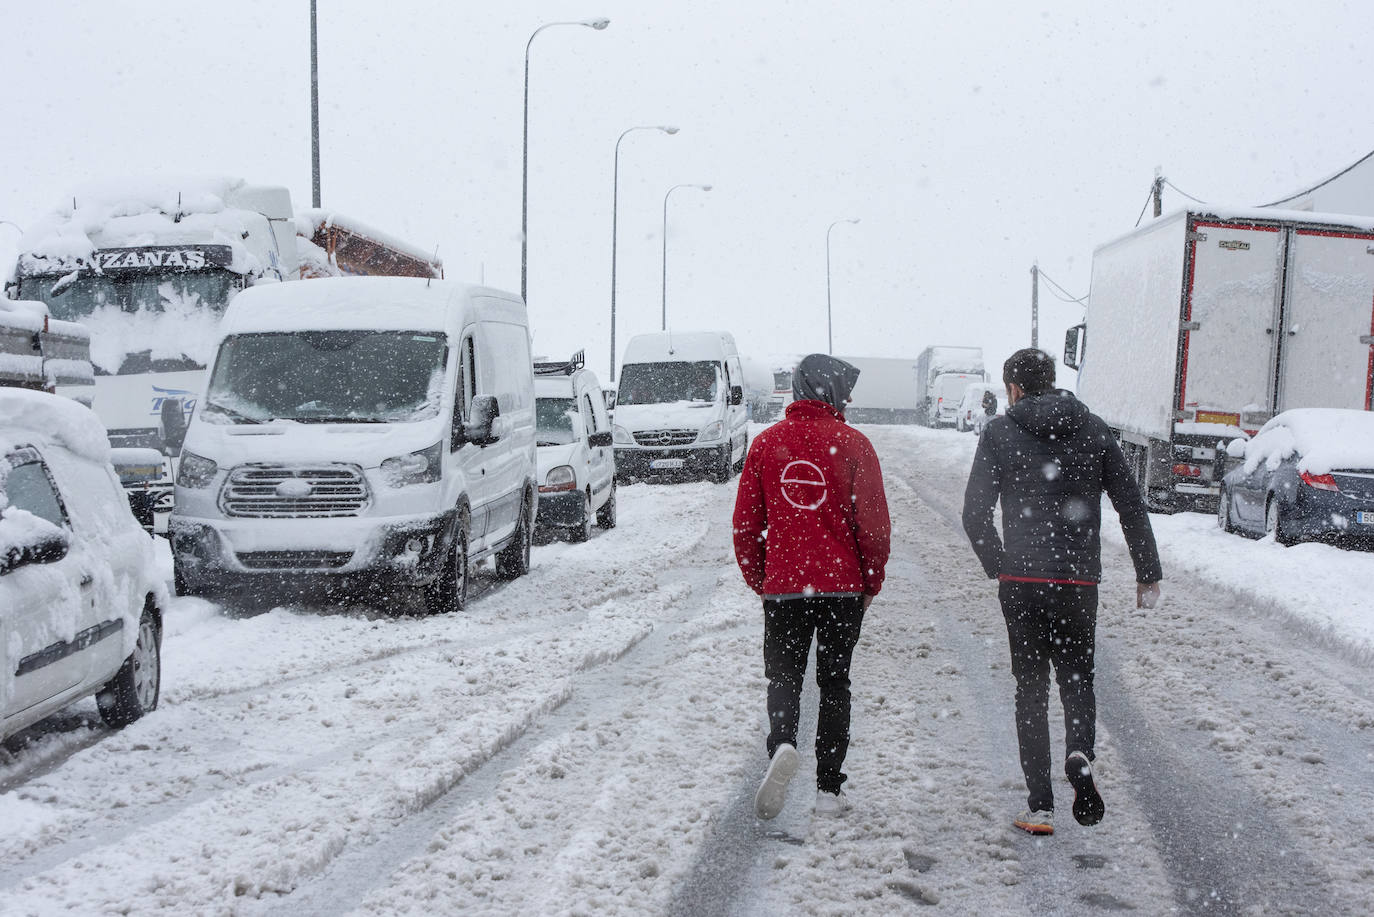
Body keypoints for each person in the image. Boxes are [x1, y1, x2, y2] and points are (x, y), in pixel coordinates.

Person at [961, 348, 1162, 837]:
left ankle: (1041, 806)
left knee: (1030, 689)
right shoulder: (1093, 428)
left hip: (1022, 582)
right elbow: (1130, 505)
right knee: (1077, 677)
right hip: (1077, 582)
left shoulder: (999, 432)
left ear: (1014, 387)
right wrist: (1147, 571)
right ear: (1051, 381)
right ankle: (1079, 752)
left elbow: (974, 512)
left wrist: (1000, 564)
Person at [733, 354, 891, 819]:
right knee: (835, 683)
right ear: (833, 391)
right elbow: (874, 528)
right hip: (842, 589)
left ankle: (783, 743)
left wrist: (761, 578)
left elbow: (746, 525)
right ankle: (828, 789)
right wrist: (870, 581)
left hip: (784, 588)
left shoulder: (766, 444)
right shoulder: (855, 445)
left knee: (784, 676)